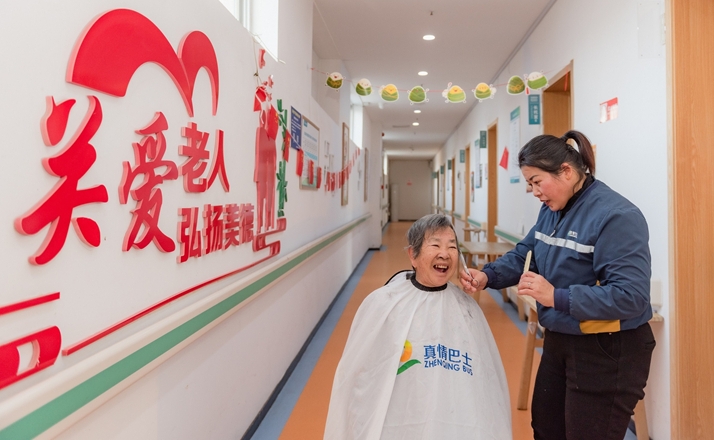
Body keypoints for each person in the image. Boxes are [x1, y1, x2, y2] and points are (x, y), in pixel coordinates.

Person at [460, 130, 655, 440]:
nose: (535, 192)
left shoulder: (616, 216)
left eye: (537, 182)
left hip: (608, 349)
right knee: (546, 428)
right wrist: (488, 276)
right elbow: (527, 254)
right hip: (561, 339)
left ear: (566, 171)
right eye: (530, 184)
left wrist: (556, 296)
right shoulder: (552, 210)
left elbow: (630, 296)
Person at [324, 214, 512, 440]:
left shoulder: (467, 309)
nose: (445, 254)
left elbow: (486, 381)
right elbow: (360, 377)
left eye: (452, 247)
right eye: (435, 245)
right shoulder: (383, 304)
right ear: (413, 255)